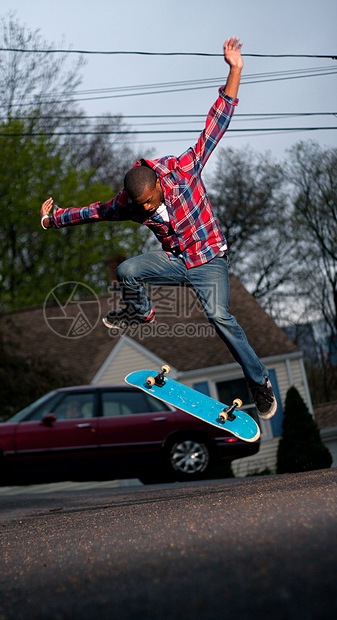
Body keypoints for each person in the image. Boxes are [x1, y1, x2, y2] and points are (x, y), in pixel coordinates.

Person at [40, 37, 277, 420]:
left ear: (158, 186)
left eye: (151, 202)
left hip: (209, 259)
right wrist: (55, 217)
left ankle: (258, 380)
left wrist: (234, 70)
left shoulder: (184, 171)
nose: (148, 210)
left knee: (219, 317)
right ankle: (141, 312)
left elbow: (216, 124)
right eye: (142, 207)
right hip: (174, 260)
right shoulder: (129, 204)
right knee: (126, 271)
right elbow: (95, 211)